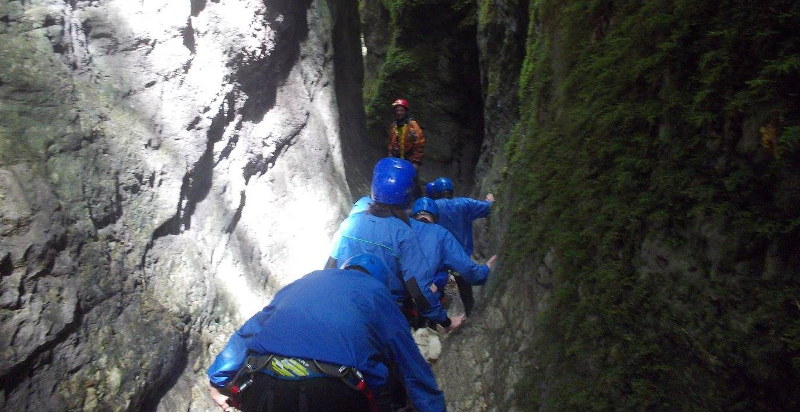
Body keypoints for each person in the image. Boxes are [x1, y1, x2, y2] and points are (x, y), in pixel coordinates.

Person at [207, 254, 447, 412]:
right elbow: (409, 362)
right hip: (332, 392)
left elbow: (249, 332)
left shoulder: (305, 282)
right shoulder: (377, 292)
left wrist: (218, 379)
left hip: (263, 382)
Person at [326, 158, 463, 332]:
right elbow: (419, 290)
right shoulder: (403, 234)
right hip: (385, 309)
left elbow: (330, 266)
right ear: (408, 194)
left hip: (345, 302)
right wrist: (445, 322)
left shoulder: (350, 223)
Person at [409, 197, 497, 319]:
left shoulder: (400, 229)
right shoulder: (442, 231)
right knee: (464, 293)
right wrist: (484, 271)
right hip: (457, 260)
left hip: (403, 296)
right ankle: (468, 316)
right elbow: (468, 269)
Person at [428, 177, 494, 317]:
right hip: (460, 258)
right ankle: (470, 315)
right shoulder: (464, 204)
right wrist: (489, 201)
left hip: (438, 258)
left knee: (434, 289)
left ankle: (434, 321)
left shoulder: (431, 207)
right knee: (466, 293)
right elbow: (488, 208)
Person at [387, 98, 425, 167]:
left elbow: (419, 145)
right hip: (396, 160)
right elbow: (391, 143)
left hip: (409, 161)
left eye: (401, 110)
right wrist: (390, 154)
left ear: (406, 111)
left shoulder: (412, 126)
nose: (399, 113)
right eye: (397, 110)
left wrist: (416, 162)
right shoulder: (393, 126)